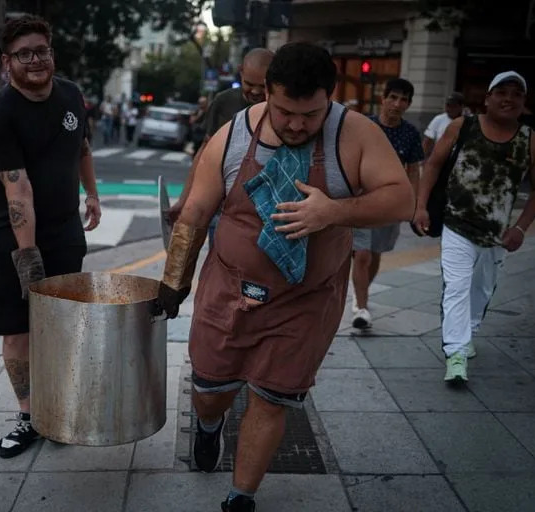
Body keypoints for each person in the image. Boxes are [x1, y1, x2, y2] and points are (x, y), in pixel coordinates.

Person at [153, 42, 414, 512]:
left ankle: (241, 496)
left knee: (272, 400)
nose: (296, 124)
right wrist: (176, 282)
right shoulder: (233, 135)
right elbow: (194, 213)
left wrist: (334, 210)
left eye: (310, 114)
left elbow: (401, 200)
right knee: (211, 389)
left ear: (329, 100)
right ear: (266, 95)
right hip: (228, 289)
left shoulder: (354, 134)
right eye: (284, 111)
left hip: (305, 300)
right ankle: (209, 427)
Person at [0, 15, 102, 458]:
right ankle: (29, 416)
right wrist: (27, 259)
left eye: (41, 51)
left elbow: (81, 146)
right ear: (7, 63)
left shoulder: (70, 94)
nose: (35, 61)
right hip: (9, 241)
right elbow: (17, 190)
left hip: (64, 233)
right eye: (24, 54)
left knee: (61, 327)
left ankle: (56, 409)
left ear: (52, 54)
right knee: (19, 333)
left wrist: (93, 196)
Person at [413, 71, 535, 383]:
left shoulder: (532, 141)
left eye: (516, 94)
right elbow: (433, 163)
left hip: (497, 235)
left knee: (482, 290)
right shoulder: (463, 126)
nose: (508, 99)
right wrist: (420, 206)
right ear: (487, 98)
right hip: (456, 224)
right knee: (457, 287)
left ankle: (468, 332)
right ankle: (456, 353)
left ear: (523, 103)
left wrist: (522, 228)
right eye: (501, 92)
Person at [167, 48, 275, 231]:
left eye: (263, 86)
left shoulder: (282, 108)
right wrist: (184, 201)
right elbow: (205, 154)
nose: (256, 92)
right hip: (224, 209)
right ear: (241, 72)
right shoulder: (223, 102)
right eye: (249, 83)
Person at [351, 78, 424, 329]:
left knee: (375, 253)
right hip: (361, 200)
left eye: (404, 100)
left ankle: (361, 293)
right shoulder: (365, 126)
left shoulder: (411, 134)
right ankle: (361, 308)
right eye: (393, 97)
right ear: (383, 99)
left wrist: (413, 205)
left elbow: (413, 170)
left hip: (390, 204)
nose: (397, 104)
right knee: (360, 254)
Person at [423, 92, 465, 157]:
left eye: (453, 106)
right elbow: (427, 142)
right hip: (439, 157)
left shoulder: (467, 121)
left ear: (461, 107)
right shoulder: (438, 119)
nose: (449, 109)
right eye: (448, 105)